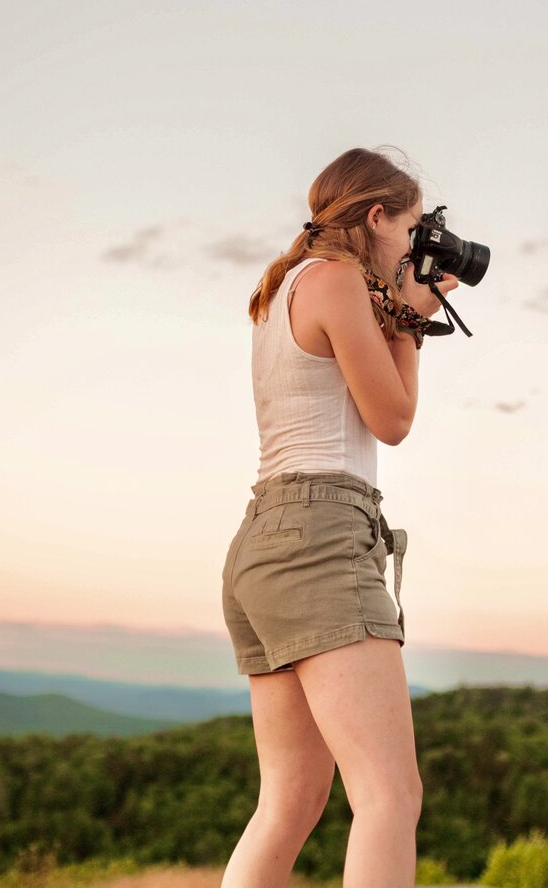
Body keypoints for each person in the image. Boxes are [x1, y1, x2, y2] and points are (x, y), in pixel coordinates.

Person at [220, 146, 459, 888]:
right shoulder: (335, 281)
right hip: (322, 537)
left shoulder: (286, 285)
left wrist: (397, 310)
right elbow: (391, 418)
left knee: (289, 799)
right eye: (413, 227)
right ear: (376, 215)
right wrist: (413, 321)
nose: (418, 244)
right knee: (390, 796)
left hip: (265, 542)